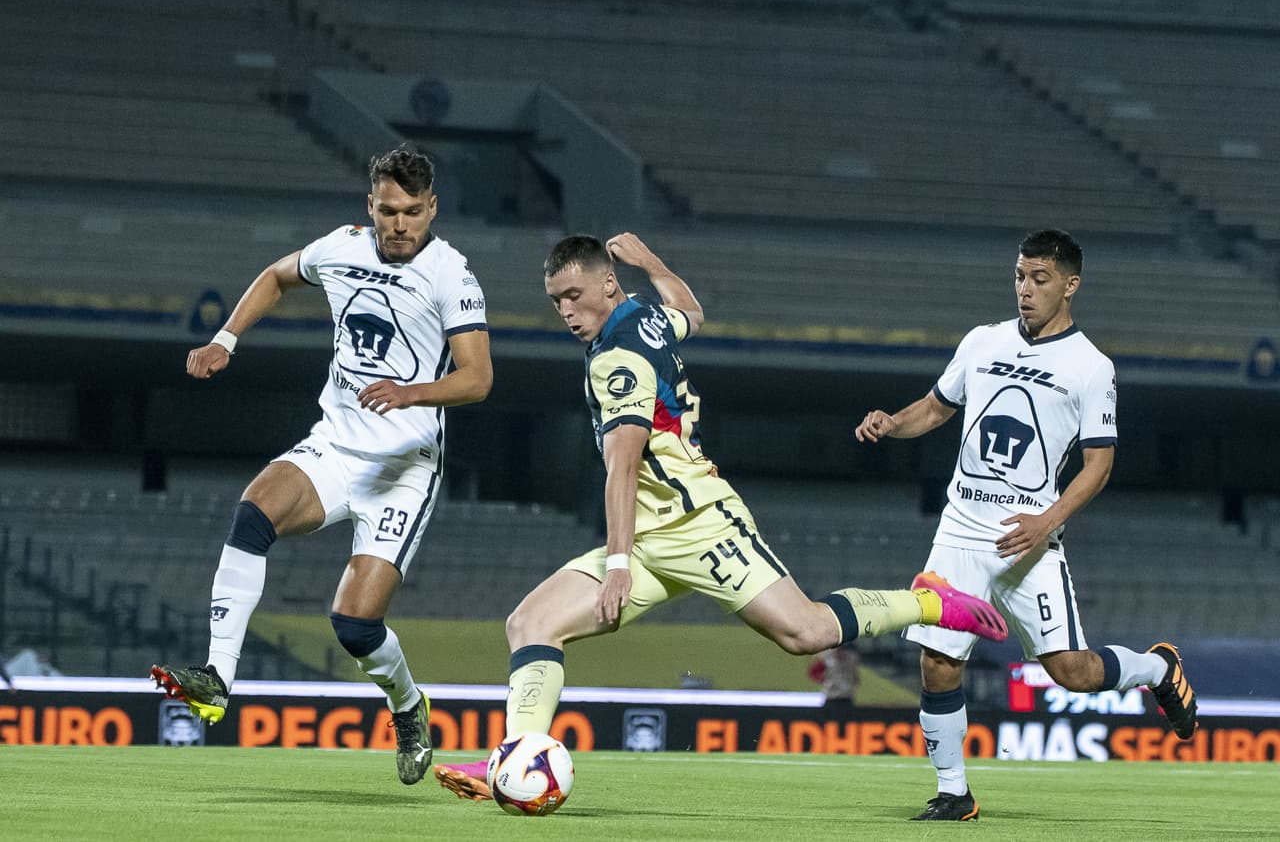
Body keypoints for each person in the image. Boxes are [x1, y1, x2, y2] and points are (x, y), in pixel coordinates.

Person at [432, 233, 1008, 801]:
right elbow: (691, 311)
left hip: (700, 524)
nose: (566, 311)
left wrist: (615, 565)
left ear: (607, 283)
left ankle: (932, 600)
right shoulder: (645, 317)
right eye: (556, 300)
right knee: (530, 624)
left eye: (575, 294)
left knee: (804, 632)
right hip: (649, 533)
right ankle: (515, 757)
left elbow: (623, 466)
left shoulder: (618, 359)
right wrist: (653, 262)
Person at [151, 146, 492, 785]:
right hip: (335, 446)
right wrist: (226, 339)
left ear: (432, 209)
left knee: (354, 625)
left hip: (403, 466)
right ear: (371, 206)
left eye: (413, 213)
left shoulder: (452, 275)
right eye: (389, 211)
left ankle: (409, 705)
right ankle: (217, 677)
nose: (399, 225)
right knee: (253, 511)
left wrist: (410, 392)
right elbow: (278, 275)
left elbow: (478, 379)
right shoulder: (341, 246)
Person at [854, 229, 1197, 822]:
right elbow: (936, 407)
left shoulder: (1091, 367)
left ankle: (1157, 668)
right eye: (1019, 276)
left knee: (1073, 673)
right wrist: (892, 422)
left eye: (1040, 279)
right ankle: (954, 793)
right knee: (938, 661)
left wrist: (1047, 522)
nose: (1025, 290)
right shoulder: (982, 341)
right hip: (961, 528)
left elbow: (1100, 465)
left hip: (1028, 539)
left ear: (1071, 285)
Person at [808, 640, 861, 711]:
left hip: (846, 695)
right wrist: (824, 680)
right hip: (832, 695)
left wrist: (854, 680)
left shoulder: (851, 659)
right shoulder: (826, 659)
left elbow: (855, 674)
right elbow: (813, 672)